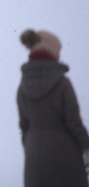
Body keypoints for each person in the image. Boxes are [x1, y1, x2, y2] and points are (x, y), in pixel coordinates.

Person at [17, 29, 89, 187]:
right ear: (52, 51)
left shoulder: (22, 87)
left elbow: (24, 126)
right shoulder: (63, 84)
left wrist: (30, 151)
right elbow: (74, 122)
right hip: (66, 156)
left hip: (34, 158)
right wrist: (86, 148)